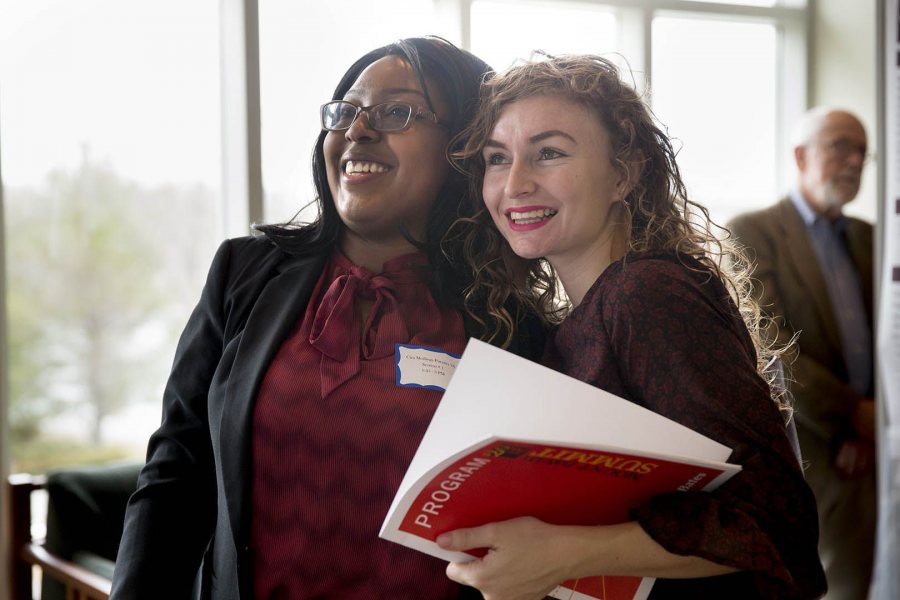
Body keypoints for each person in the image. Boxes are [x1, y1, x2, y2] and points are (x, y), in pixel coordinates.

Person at [110, 36, 545, 600]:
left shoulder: (511, 319)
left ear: (462, 146)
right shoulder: (244, 273)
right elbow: (175, 474)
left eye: (396, 111)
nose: (358, 130)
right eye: (346, 111)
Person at [443, 54, 827, 599]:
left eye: (548, 153)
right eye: (497, 159)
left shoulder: (646, 295)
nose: (515, 184)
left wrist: (559, 556)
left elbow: (776, 525)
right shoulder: (582, 314)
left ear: (623, 174)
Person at [729, 107, 875, 600]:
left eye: (861, 151)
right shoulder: (753, 231)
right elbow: (771, 346)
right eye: (840, 146)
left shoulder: (869, 238)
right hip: (811, 446)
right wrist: (852, 417)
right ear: (800, 155)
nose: (854, 160)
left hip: (875, 443)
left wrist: (877, 419)